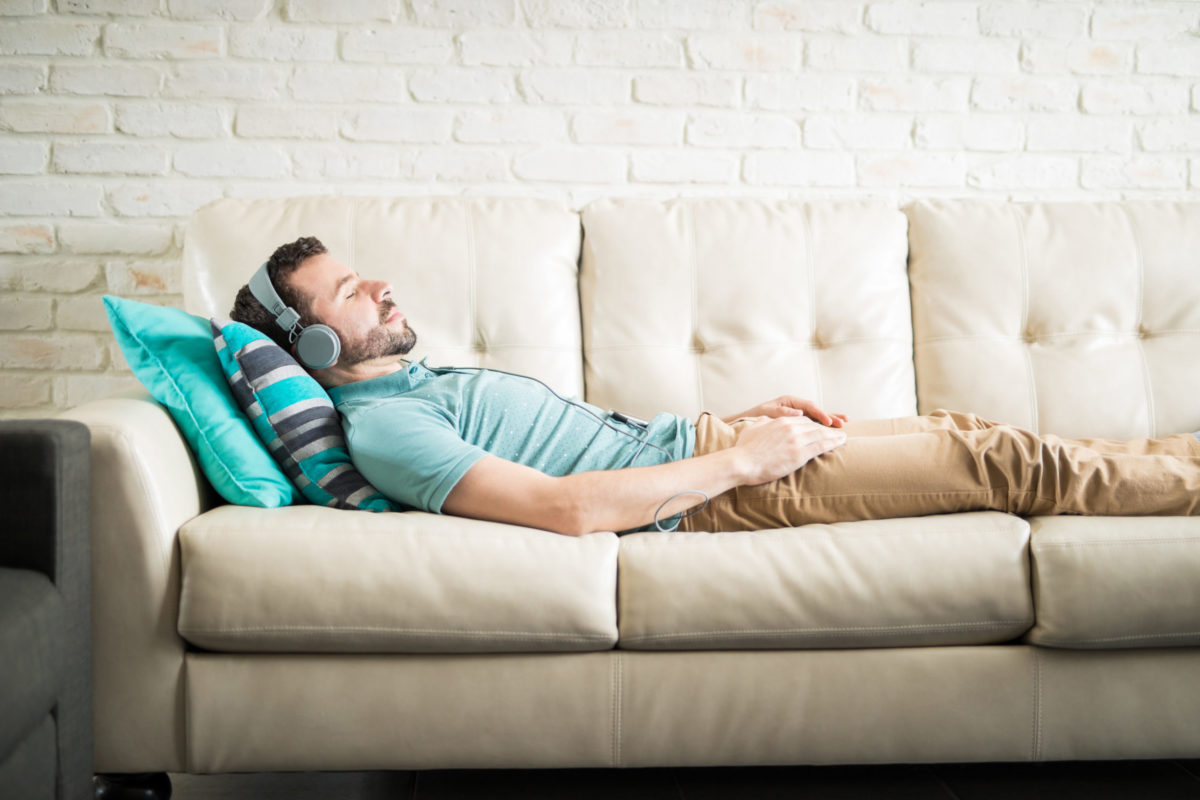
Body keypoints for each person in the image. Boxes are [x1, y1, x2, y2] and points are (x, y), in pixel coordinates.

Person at [231, 236, 1200, 535]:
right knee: (993, 458)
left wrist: (739, 419)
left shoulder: (420, 381)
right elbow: (565, 508)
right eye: (353, 293)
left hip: (710, 448)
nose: (384, 285)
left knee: (969, 428)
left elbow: (599, 440)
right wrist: (742, 457)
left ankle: (1180, 460)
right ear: (314, 342)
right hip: (716, 490)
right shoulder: (387, 434)